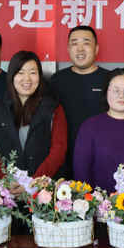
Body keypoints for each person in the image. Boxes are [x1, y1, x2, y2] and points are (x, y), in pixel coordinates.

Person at [0, 51, 67, 180]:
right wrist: (6, 181)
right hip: (5, 188)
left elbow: (58, 151)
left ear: (39, 76)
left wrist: (35, 182)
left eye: (33, 73)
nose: (27, 79)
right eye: (20, 73)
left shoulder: (54, 109)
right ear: (12, 76)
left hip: (42, 187)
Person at [50, 26, 110, 177]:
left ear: (96, 48)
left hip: (101, 156)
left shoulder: (109, 79)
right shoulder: (57, 80)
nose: (80, 49)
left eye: (86, 43)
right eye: (74, 43)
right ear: (68, 49)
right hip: (64, 158)